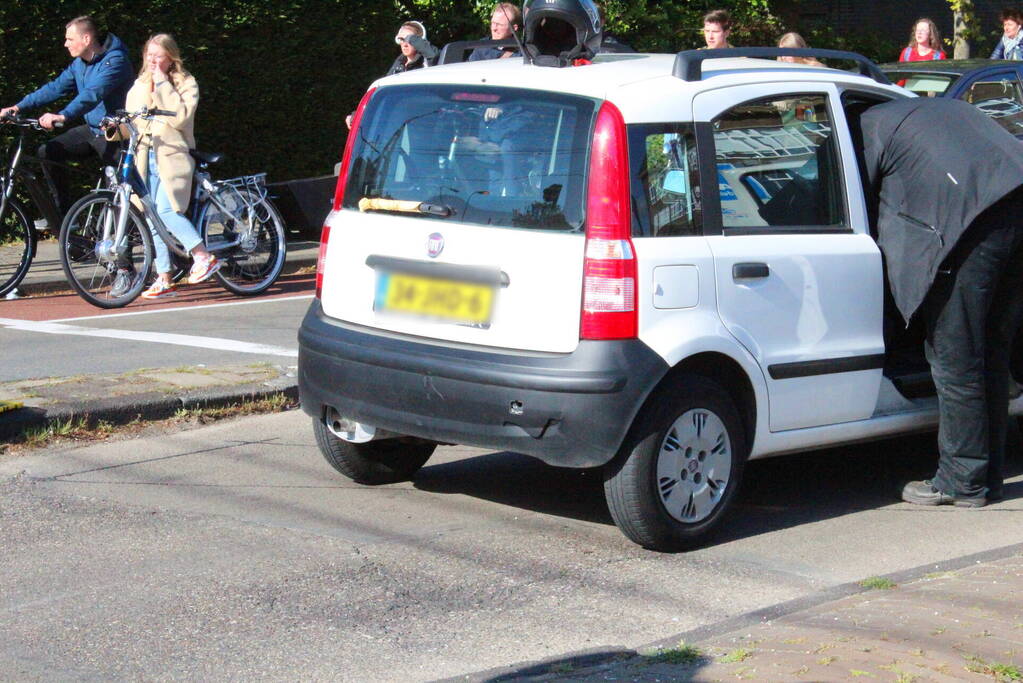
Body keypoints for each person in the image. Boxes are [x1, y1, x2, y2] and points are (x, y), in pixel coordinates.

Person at [858, 97, 1023, 507]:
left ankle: (960, 480)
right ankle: (988, 478)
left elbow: (854, 190)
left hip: (972, 217)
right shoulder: (926, 111)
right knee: (991, 347)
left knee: (956, 351)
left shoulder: (866, 128)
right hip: (1015, 201)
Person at [106, 34, 219, 299]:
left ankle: (202, 255)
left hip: (172, 156)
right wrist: (114, 128)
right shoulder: (139, 85)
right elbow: (133, 122)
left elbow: (180, 117)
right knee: (150, 216)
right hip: (145, 157)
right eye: (149, 55)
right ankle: (164, 276)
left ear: (171, 58)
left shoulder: (185, 83)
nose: (153, 61)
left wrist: (162, 83)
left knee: (167, 211)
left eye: (159, 56)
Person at [0, 16, 134, 223]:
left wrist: (63, 115)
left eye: (70, 39)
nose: (65, 44)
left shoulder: (115, 61)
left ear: (86, 38)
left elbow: (92, 93)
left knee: (117, 193)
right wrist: (18, 107)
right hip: (92, 129)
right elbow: (55, 88)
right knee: (49, 152)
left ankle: (123, 246)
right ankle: (65, 219)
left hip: (115, 134)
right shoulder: (79, 64)